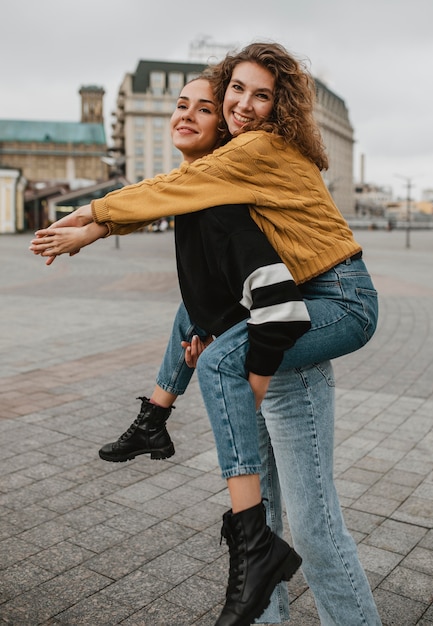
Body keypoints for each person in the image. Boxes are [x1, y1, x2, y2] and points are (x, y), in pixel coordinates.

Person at [31, 43, 382, 625]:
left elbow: (164, 192)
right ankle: (246, 537)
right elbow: (200, 247)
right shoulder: (218, 176)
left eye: (261, 95)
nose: (245, 104)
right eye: (236, 90)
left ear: (279, 107)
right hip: (285, 323)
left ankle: (237, 520)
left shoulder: (259, 149)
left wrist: (89, 221)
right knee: (267, 517)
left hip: (338, 300)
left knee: (312, 530)